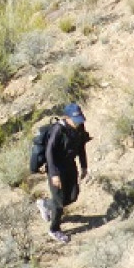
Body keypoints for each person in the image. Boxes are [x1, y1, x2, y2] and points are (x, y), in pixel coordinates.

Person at [35, 103, 90, 244]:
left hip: (70, 165)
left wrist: (84, 166)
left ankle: (46, 204)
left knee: (72, 196)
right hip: (57, 168)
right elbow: (50, 152)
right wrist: (54, 174)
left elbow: (81, 147)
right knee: (59, 203)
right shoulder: (58, 130)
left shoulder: (79, 128)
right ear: (67, 117)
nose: (78, 123)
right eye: (75, 120)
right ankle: (54, 229)